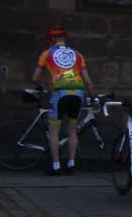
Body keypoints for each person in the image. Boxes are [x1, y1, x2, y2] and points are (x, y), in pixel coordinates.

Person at [32, 26, 94, 175]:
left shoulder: (46, 54)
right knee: (72, 130)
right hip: (78, 93)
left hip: (59, 93)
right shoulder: (78, 55)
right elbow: (88, 81)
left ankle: (55, 166)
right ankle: (71, 164)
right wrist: (93, 96)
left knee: (54, 131)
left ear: (52, 40)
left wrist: (40, 86)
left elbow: (35, 78)